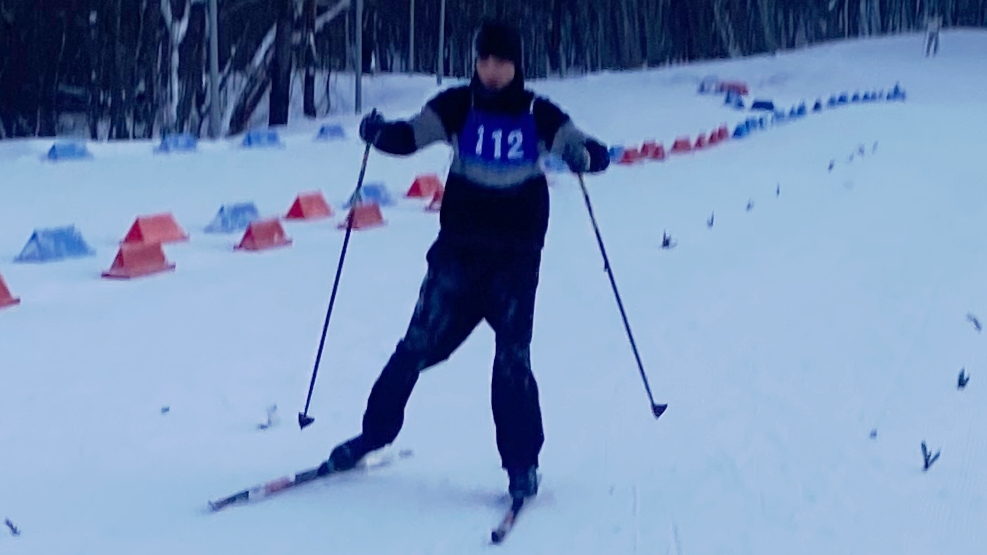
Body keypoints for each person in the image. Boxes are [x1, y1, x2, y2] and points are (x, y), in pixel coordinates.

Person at [317, 19, 611, 501]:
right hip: (457, 257)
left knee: (512, 361)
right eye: (485, 60)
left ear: (517, 65)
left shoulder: (537, 113)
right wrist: (378, 133)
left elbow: (586, 147)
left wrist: (587, 158)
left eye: (502, 61)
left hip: (514, 263)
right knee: (415, 347)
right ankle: (373, 435)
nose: (492, 70)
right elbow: (410, 136)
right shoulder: (458, 105)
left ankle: (522, 466)